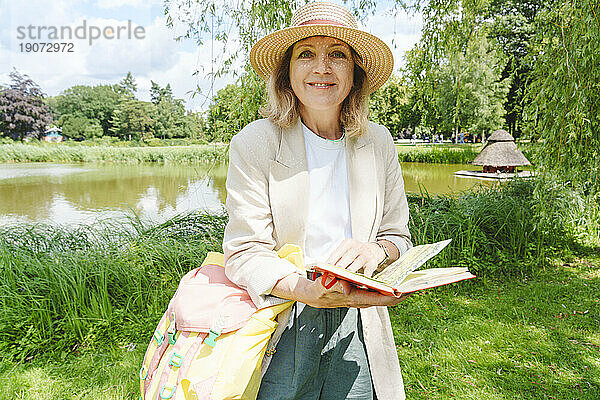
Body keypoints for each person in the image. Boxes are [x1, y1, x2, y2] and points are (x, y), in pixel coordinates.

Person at [223, 2, 412, 399]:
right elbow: (244, 253)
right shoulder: (254, 144)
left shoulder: (378, 142)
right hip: (284, 316)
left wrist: (374, 253)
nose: (321, 68)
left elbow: (399, 237)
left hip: (360, 319)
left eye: (337, 55)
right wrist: (309, 291)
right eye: (306, 53)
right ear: (287, 72)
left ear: (355, 73)